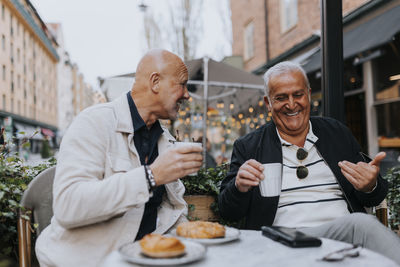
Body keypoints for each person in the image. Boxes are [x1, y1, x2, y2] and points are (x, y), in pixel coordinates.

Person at [218, 61, 400, 264]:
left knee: (362, 226)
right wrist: (239, 187)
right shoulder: (249, 146)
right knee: (362, 225)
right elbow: (228, 211)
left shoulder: (336, 133)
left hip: (343, 238)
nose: (291, 104)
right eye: (280, 98)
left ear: (309, 94)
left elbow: (375, 197)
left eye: (298, 95)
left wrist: (370, 186)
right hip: (282, 243)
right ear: (268, 103)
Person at [35, 49, 203, 267]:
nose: (187, 94)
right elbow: (68, 206)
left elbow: (173, 210)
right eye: (182, 84)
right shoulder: (93, 123)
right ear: (155, 82)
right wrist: (150, 177)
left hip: (143, 259)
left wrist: (193, 247)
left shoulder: (165, 140)